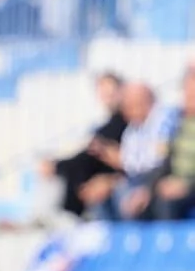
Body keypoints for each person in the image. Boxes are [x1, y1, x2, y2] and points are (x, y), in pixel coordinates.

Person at [81, 81, 176, 219]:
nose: (125, 113)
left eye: (127, 106)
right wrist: (112, 178)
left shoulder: (165, 119)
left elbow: (156, 161)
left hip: (159, 176)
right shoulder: (133, 128)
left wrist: (119, 161)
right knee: (98, 194)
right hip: (138, 178)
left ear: (142, 102)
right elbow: (130, 162)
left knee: (125, 197)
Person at [40, 71, 126, 217]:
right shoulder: (104, 127)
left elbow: (132, 163)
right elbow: (87, 157)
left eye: (111, 92)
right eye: (104, 93)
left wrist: (111, 181)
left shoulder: (128, 123)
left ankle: (65, 216)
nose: (108, 97)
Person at [149, 64, 195, 221]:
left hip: (190, 185)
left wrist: (188, 185)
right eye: (188, 92)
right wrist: (153, 186)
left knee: (167, 203)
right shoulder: (174, 122)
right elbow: (162, 160)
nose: (190, 97)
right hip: (173, 182)